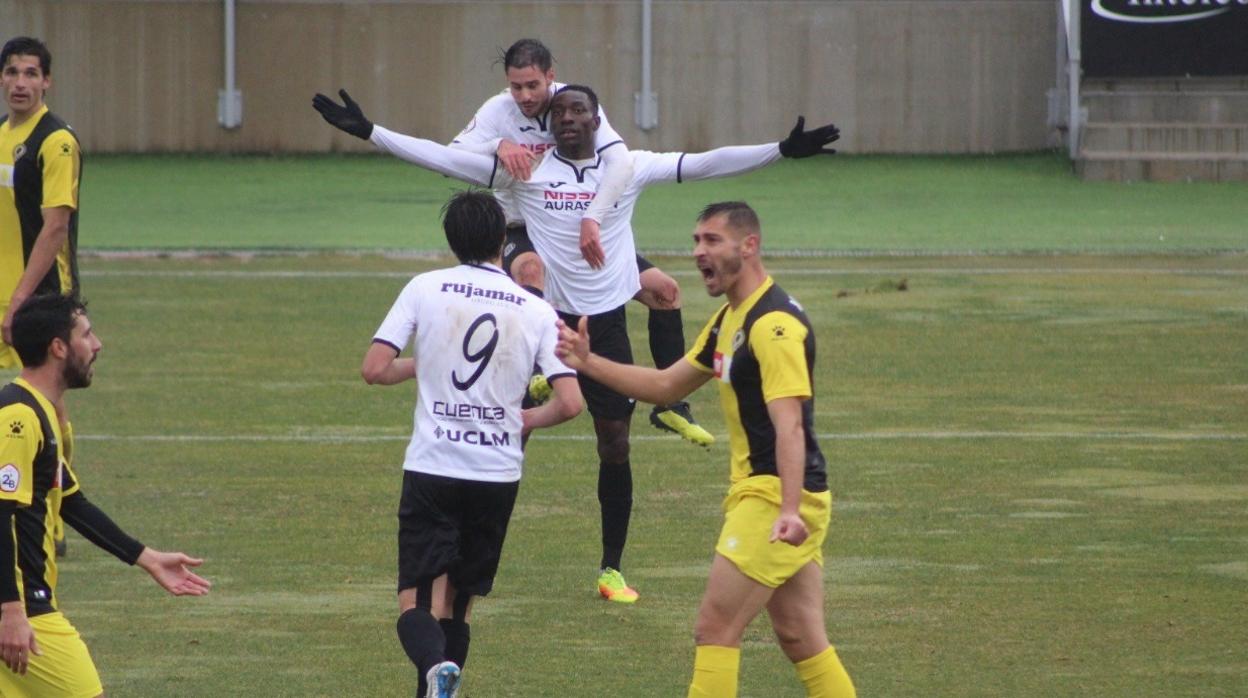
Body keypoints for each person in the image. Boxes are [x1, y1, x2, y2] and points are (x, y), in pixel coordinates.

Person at [313, 83, 837, 605]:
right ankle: (463, 561)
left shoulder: (627, 166)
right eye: (558, 111)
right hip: (541, 327)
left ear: (596, 119)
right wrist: (371, 132)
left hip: (603, 325)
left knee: (614, 444)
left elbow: (707, 162)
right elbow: (441, 159)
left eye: (577, 110)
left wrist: (780, 150)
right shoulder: (527, 170)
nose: (566, 117)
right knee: (501, 437)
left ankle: (611, 567)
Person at [554, 201, 856, 697]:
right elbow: (666, 385)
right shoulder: (729, 318)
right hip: (773, 496)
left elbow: (791, 428)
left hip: (775, 498)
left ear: (749, 245)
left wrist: (787, 508)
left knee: (714, 629)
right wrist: (587, 363)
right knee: (802, 637)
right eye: (696, 241)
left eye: (711, 241)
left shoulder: (772, 326)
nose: (698, 252)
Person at [360, 190, 582, 697]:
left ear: (450, 240)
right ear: (503, 242)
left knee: (416, 605)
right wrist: (523, 419)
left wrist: (427, 361)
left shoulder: (425, 287)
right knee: (457, 604)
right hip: (496, 473)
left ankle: (435, 668)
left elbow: (374, 369)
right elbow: (570, 403)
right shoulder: (534, 308)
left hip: (434, 467)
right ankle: (441, 681)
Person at [448, 38, 713, 447]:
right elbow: (454, 155)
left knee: (665, 291)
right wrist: (497, 143)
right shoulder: (497, 111)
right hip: (521, 223)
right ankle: (537, 367)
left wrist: (594, 217)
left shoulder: (575, 103)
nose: (524, 96)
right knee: (532, 269)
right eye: (515, 87)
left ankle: (671, 404)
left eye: (532, 86)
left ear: (550, 77)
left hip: (577, 222)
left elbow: (619, 160)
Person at [0, 293, 211, 698]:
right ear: (58, 348)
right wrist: (11, 610)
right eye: (87, 334)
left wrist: (146, 557)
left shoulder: (41, 412)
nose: (97, 345)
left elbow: (72, 502)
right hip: (24, 609)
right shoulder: (18, 417)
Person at [1, 36, 83, 559]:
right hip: (8, 293)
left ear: (47, 81)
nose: (21, 83)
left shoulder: (57, 142)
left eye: (32, 73)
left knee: (48, 406)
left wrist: (18, 303)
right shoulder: (2, 138)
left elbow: (54, 229)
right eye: (12, 73)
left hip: (40, 298)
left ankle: (52, 516)